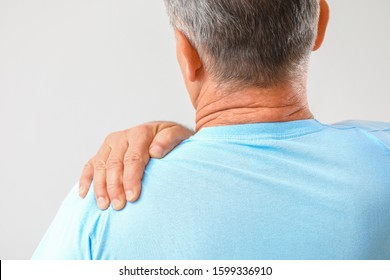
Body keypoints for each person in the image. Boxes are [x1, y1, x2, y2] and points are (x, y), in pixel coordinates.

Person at [32, 0, 390, 259]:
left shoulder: (106, 201)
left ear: (186, 52)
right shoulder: (381, 158)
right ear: (319, 25)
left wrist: (185, 141)